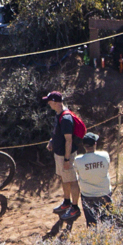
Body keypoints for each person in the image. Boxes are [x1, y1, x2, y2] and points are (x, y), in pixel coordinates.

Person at [44, 91, 86, 221]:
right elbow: (58, 133)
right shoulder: (59, 114)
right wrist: (52, 141)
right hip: (60, 154)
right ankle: (66, 202)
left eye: (49, 101)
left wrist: (67, 159)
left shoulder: (66, 118)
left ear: (55, 102)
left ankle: (75, 207)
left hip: (66, 155)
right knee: (64, 178)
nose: (48, 103)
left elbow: (69, 140)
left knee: (72, 180)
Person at [71, 129, 114, 223]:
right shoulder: (104, 156)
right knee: (108, 221)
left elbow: (78, 172)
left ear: (84, 146)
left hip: (88, 194)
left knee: (91, 223)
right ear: (95, 144)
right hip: (104, 192)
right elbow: (107, 167)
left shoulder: (78, 160)